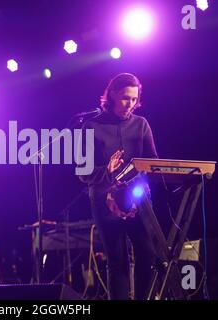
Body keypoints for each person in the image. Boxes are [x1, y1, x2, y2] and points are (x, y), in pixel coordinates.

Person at [78, 73, 158, 300]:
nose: (130, 104)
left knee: (148, 254)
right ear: (112, 94)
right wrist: (107, 170)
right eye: (125, 98)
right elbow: (83, 172)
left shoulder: (141, 124)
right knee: (117, 261)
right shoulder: (91, 126)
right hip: (104, 201)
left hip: (137, 200)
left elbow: (152, 163)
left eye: (134, 99)